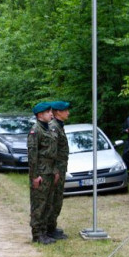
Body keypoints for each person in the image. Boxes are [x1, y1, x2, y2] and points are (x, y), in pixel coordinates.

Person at [27, 102, 60, 245]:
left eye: (51, 112)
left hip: (50, 171)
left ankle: (44, 232)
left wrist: (56, 170)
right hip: (40, 172)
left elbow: (54, 152)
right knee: (38, 205)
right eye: (48, 112)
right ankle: (37, 234)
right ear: (40, 115)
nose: (51, 114)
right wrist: (34, 176)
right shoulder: (36, 130)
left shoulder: (49, 129)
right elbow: (32, 156)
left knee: (47, 204)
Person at [47, 101, 71, 239]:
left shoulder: (59, 126)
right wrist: (55, 170)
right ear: (57, 112)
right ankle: (49, 229)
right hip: (56, 170)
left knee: (57, 199)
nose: (68, 113)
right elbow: (52, 151)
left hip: (60, 168)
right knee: (54, 199)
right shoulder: (54, 127)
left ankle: (52, 226)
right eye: (65, 110)